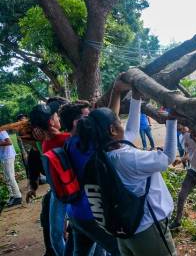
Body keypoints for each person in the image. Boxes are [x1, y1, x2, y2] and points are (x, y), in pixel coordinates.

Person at [77, 84, 178, 256]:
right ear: (113, 130)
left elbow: (131, 130)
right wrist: (172, 120)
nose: (123, 125)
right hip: (148, 228)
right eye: (119, 121)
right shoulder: (129, 158)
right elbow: (168, 157)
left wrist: (136, 99)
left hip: (126, 230)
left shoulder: (103, 155)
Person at [57, 100, 120, 256]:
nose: (92, 120)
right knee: (121, 250)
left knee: (80, 252)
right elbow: (113, 123)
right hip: (92, 214)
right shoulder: (84, 145)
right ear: (76, 123)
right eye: (88, 117)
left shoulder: (70, 143)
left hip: (76, 211)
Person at [29, 101, 71, 256]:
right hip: (61, 192)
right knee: (57, 234)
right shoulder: (60, 140)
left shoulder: (64, 139)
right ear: (51, 121)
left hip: (65, 192)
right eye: (56, 116)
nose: (59, 118)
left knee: (56, 234)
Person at [0, 130, 22, 207]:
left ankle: (17, 196)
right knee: (7, 178)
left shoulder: (2, 132)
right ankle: (12, 195)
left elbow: (9, 142)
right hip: (4, 157)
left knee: (10, 177)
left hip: (8, 156)